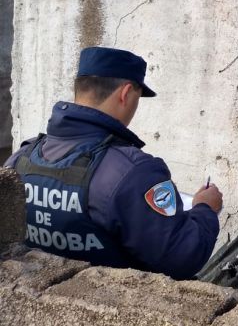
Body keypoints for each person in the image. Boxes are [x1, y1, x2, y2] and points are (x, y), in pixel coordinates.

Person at [3, 46, 223, 280]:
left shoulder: (21, 158)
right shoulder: (134, 171)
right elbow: (182, 257)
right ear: (126, 93)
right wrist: (205, 209)